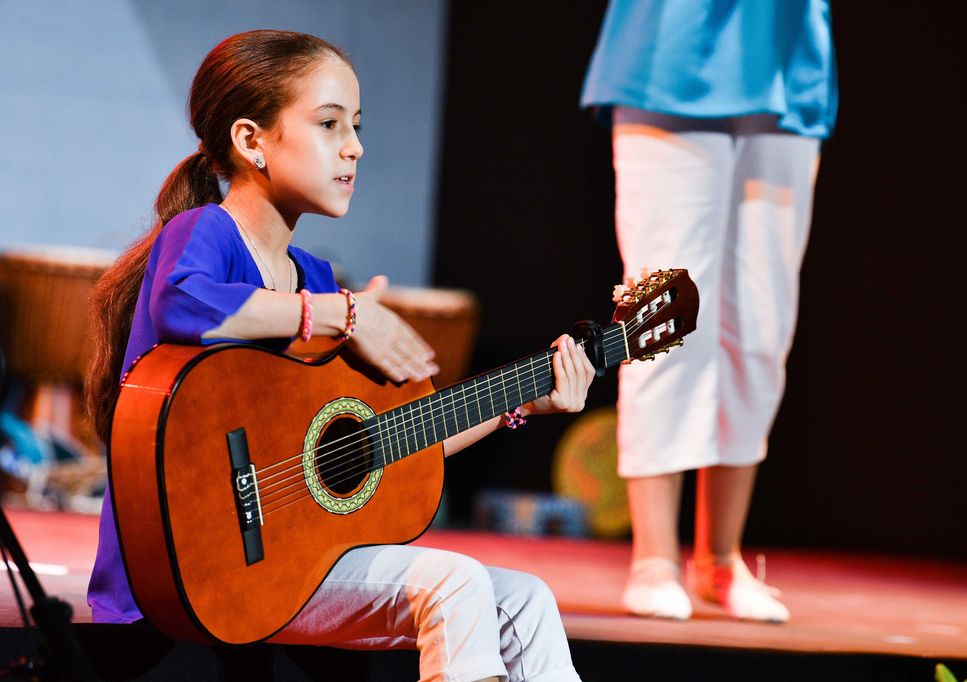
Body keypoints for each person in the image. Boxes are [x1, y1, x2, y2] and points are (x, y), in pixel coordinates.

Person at [85, 30, 592, 682]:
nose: (355, 146)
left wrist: (520, 398)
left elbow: (396, 444)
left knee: (525, 599)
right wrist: (340, 314)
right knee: (454, 581)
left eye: (356, 126)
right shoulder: (204, 233)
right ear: (251, 140)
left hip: (294, 565)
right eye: (329, 124)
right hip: (191, 568)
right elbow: (188, 307)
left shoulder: (316, 275)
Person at [581, 1, 838, 623]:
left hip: (785, 57)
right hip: (675, 48)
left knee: (761, 323)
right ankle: (654, 559)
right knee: (663, 313)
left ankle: (720, 560)